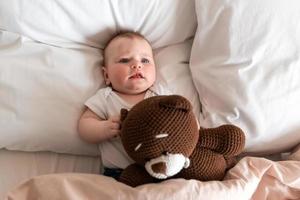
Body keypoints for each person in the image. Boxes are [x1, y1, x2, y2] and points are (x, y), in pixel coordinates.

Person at [78, 31, 172, 179]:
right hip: (119, 174)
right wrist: (104, 128)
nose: (136, 65)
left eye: (145, 61)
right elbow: (84, 126)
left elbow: (183, 116)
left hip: (163, 170)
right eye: (124, 60)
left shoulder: (159, 95)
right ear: (106, 75)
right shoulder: (106, 98)